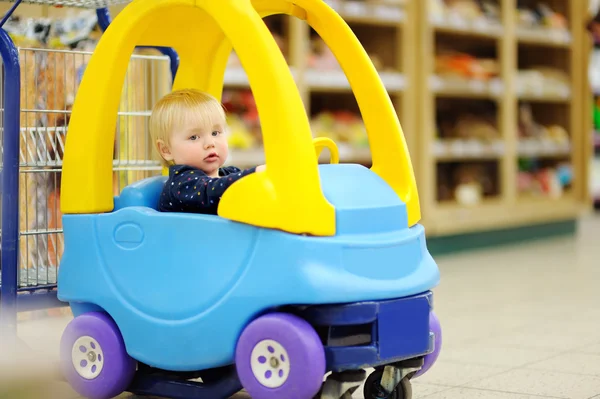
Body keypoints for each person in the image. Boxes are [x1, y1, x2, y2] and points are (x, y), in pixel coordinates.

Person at [149, 88, 265, 214]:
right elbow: (209, 191)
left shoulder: (228, 174)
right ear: (166, 150)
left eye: (215, 133)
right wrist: (253, 173)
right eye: (194, 137)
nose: (210, 143)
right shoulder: (181, 185)